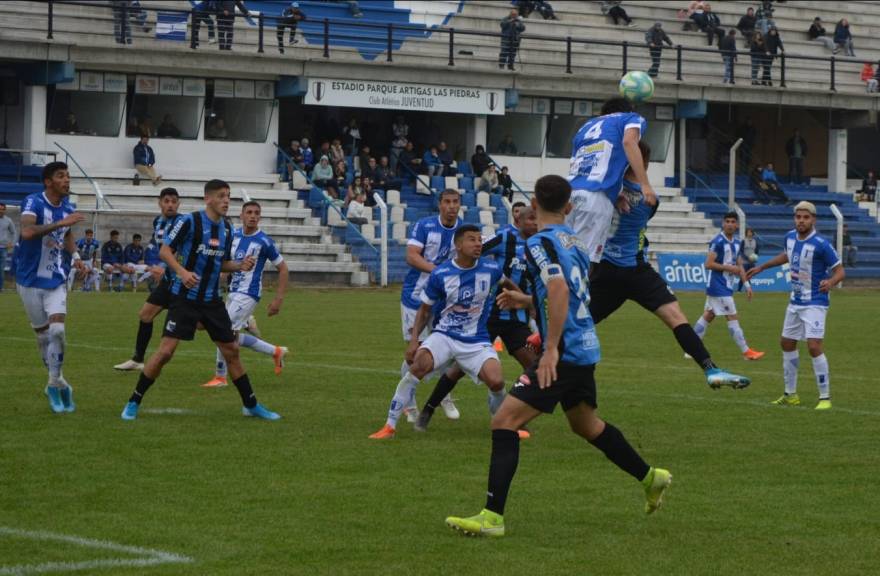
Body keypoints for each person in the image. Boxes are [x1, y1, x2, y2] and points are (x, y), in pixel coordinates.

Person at [445, 175, 671, 537]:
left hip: (564, 350)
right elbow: (571, 295)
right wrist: (528, 301)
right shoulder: (576, 242)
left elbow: (560, 288)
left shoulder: (539, 243)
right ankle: (650, 477)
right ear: (569, 207)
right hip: (585, 345)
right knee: (585, 425)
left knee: (504, 421)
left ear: (534, 203)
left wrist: (549, 349)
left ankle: (492, 517)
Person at [575, 142, 751, 390]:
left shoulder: (601, 191)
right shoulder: (650, 200)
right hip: (636, 271)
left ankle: (535, 358)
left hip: (606, 271)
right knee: (677, 318)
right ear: (643, 163)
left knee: (576, 322)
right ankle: (710, 369)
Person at [120, 179, 280, 421]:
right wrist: (182, 272)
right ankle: (133, 401)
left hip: (212, 301)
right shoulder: (190, 221)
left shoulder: (226, 229)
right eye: (221, 196)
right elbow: (165, 251)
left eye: (228, 196)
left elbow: (222, 262)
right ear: (208, 199)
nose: (226, 200)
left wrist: (239, 266)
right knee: (165, 353)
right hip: (185, 299)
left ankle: (251, 405)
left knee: (232, 351)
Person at [370, 224, 510, 439]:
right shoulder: (442, 273)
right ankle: (389, 426)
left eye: (480, 240)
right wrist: (414, 340)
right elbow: (424, 309)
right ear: (459, 245)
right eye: (472, 239)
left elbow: (507, 284)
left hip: (476, 340)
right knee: (419, 366)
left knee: (497, 381)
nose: (478, 244)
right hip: (444, 336)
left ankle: (501, 421)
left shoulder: (491, 269)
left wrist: (522, 302)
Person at [414, 208, 541, 434]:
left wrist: (527, 302)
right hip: (486, 317)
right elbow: (472, 256)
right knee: (458, 370)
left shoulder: (540, 245)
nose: (534, 223)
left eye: (536, 219)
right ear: (517, 221)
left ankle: (513, 416)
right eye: (530, 219)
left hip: (515, 319)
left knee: (533, 365)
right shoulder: (503, 238)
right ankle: (429, 409)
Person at [368, 190, 464, 439]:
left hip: (446, 301)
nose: (451, 207)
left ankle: (445, 396)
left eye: (455, 202)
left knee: (450, 349)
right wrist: (439, 271)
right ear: (440, 205)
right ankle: (409, 405)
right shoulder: (425, 226)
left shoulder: (464, 230)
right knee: (417, 352)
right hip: (416, 297)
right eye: (447, 202)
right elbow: (411, 257)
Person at [747, 202, 845, 410]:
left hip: (815, 302)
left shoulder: (821, 244)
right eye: (798, 217)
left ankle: (825, 397)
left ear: (813, 219)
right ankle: (790, 394)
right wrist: (762, 267)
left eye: (806, 217)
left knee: (814, 346)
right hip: (795, 300)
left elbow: (840, 271)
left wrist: (830, 282)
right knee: (787, 343)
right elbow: (787, 255)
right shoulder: (789, 237)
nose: (801, 220)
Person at [14, 162, 86, 413]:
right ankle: (58, 380)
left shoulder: (67, 207)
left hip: (56, 278)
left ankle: (53, 383)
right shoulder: (34, 202)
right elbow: (27, 232)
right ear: (48, 182)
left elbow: (66, 234)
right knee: (43, 336)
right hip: (29, 280)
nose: (67, 180)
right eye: (61, 176)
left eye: (68, 176)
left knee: (57, 331)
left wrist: (76, 257)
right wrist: (60, 222)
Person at [201, 201, 290, 388]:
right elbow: (229, 263)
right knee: (229, 335)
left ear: (260, 217)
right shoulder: (233, 236)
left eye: (257, 213)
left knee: (221, 331)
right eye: (249, 212)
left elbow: (283, 269)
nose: (253, 216)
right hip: (233, 291)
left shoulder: (264, 241)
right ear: (241, 216)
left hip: (249, 293)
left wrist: (278, 300)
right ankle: (275, 352)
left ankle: (220, 377)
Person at [566, 97, 655, 264]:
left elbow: (581, 164)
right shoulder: (631, 118)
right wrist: (645, 184)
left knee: (565, 256)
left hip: (568, 195)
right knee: (585, 261)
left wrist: (617, 193)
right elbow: (629, 142)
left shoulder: (585, 127)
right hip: (595, 200)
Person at [114, 188, 183, 371]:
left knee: (201, 324)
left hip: (182, 280)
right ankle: (137, 359)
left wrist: (165, 267)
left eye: (174, 201)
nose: (170, 204)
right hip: (169, 279)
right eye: (166, 201)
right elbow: (161, 248)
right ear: (159, 202)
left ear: (178, 204)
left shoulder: (182, 222)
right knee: (145, 315)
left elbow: (182, 251)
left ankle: (237, 322)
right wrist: (157, 266)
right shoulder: (158, 221)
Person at [694, 212, 765, 361]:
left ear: (737, 225)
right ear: (723, 223)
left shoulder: (738, 242)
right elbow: (708, 264)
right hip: (718, 286)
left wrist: (746, 284)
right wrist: (728, 268)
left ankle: (691, 347)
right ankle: (746, 352)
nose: (730, 224)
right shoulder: (718, 241)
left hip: (726, 286)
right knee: (732, 317)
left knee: (709, 315)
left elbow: (739, 264)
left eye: (733, 221)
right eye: (727, 221)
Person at [0, 202, 15, 292]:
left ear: (5, 210)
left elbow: (13, 232)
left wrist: (11, 242)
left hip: (3, 248)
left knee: (1, 269)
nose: (0, 211)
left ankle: (1, 288)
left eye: (2, 209)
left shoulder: (8, 220)